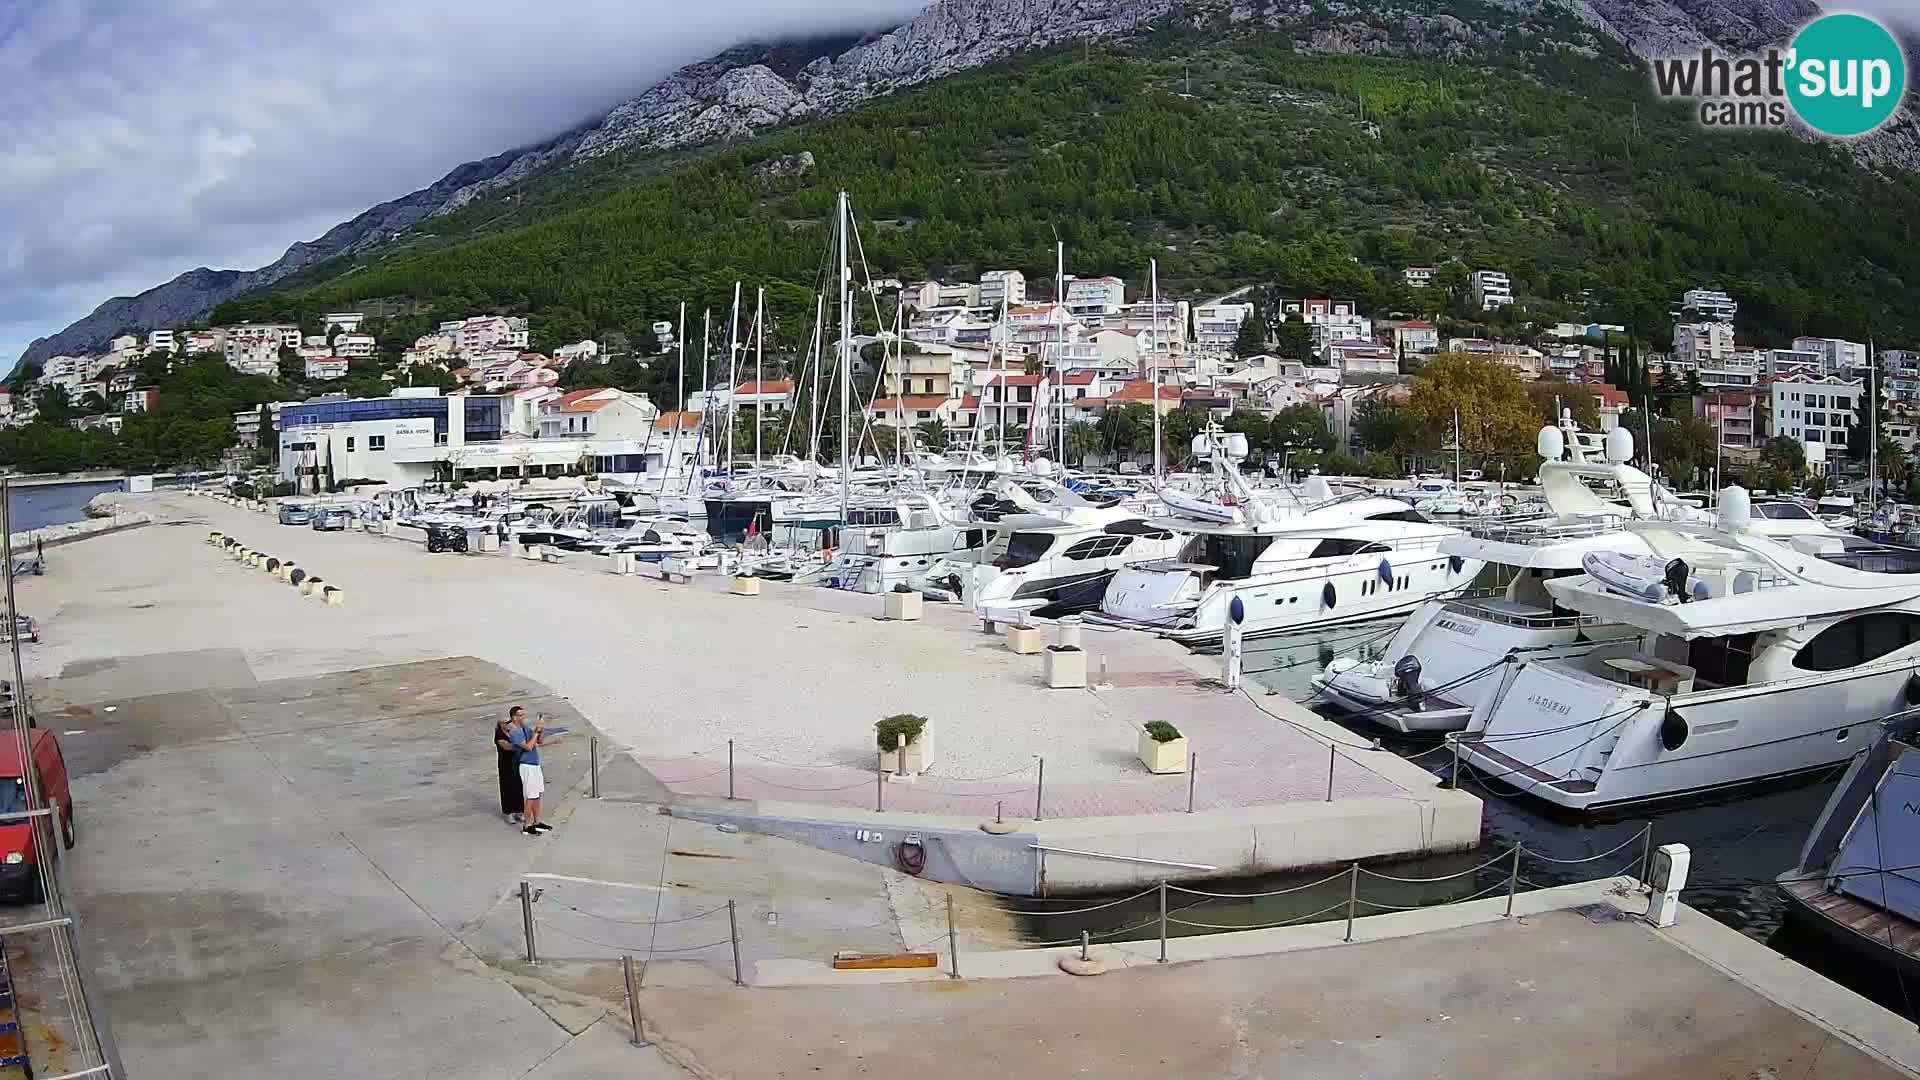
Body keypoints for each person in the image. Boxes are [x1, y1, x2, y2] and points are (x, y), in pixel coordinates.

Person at [505, 706, 553, 836]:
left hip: (535, 764)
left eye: (523, 715)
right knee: (530, 797)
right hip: (526, 766)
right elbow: (528, 747)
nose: (523, 718)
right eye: (520, 715)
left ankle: (537, 822)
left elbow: (539, 741)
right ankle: (527, 825)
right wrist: (537, 731)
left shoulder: (525, 728)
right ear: (514, 716)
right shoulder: (514, 732)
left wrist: (541, 728)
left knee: (537, 795)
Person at [493, 714, 524, 824]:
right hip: (505, 765)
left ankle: (519, 811)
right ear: (501, 724)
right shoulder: (499, 735)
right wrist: (520, 744)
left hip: (516, 762)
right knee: (507, 787)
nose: (508, 724)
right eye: (506, 723)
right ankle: (508, 812)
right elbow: (507, 746)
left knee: (518, 785)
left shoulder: (513, 731)